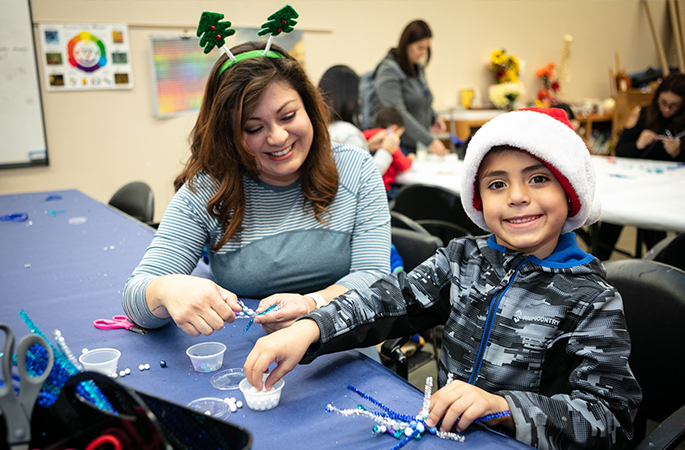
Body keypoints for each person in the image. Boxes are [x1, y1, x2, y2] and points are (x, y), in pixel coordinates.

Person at [244, 108, 641, 450]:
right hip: (448, 435)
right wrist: (312, 327)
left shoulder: (592, 300)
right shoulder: (464, 259)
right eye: (497, 184)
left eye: (538, 179)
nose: (517, 196)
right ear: (479, 200)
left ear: (569, 190)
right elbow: (388, 299)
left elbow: (609, 419)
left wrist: (502, 408)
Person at [122, 42, 390, 337]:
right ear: (229, 135)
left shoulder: (356, 168)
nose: (277, 137)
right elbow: (136, 297)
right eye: (253, 128)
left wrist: (313, 305)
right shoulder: (209, 190)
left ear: (309, 108)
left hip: (341, 344)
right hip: (243, 359)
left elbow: (375, 276)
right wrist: (165, 290)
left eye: (288, 116)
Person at [595, 73, 685, 260]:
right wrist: (638, 144)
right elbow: (620, 151)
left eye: (673, 105)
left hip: (665, 192)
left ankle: (656, 270)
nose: (667, 109)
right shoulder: (641, 113)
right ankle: (597, 262)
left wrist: (679, 151)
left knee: (655, 237)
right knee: (613, 218)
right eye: (663, 102)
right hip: (631, 186)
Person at [369, 19, 449, 156]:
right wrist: (429, 141)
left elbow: (421, 100)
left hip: (414, 145)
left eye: (427, 48)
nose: (423, 53)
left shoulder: (417, 69)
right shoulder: (388, 70)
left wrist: (434, 117)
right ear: (406, 44)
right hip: (395, 147)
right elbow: (398, 114)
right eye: (420, 47)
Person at [318, 64, 399, 176]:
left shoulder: (322, 128)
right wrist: (386, 151)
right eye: (357, 94)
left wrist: (367, 146)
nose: (360, 101)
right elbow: (365, 177)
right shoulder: (348, 133)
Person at [362, 106, 414, 197]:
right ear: (394, 128)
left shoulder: (364, 135)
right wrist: (410, 159)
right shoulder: (389, 138)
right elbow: (403, 166)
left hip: (365, 189)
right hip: (383, 189)